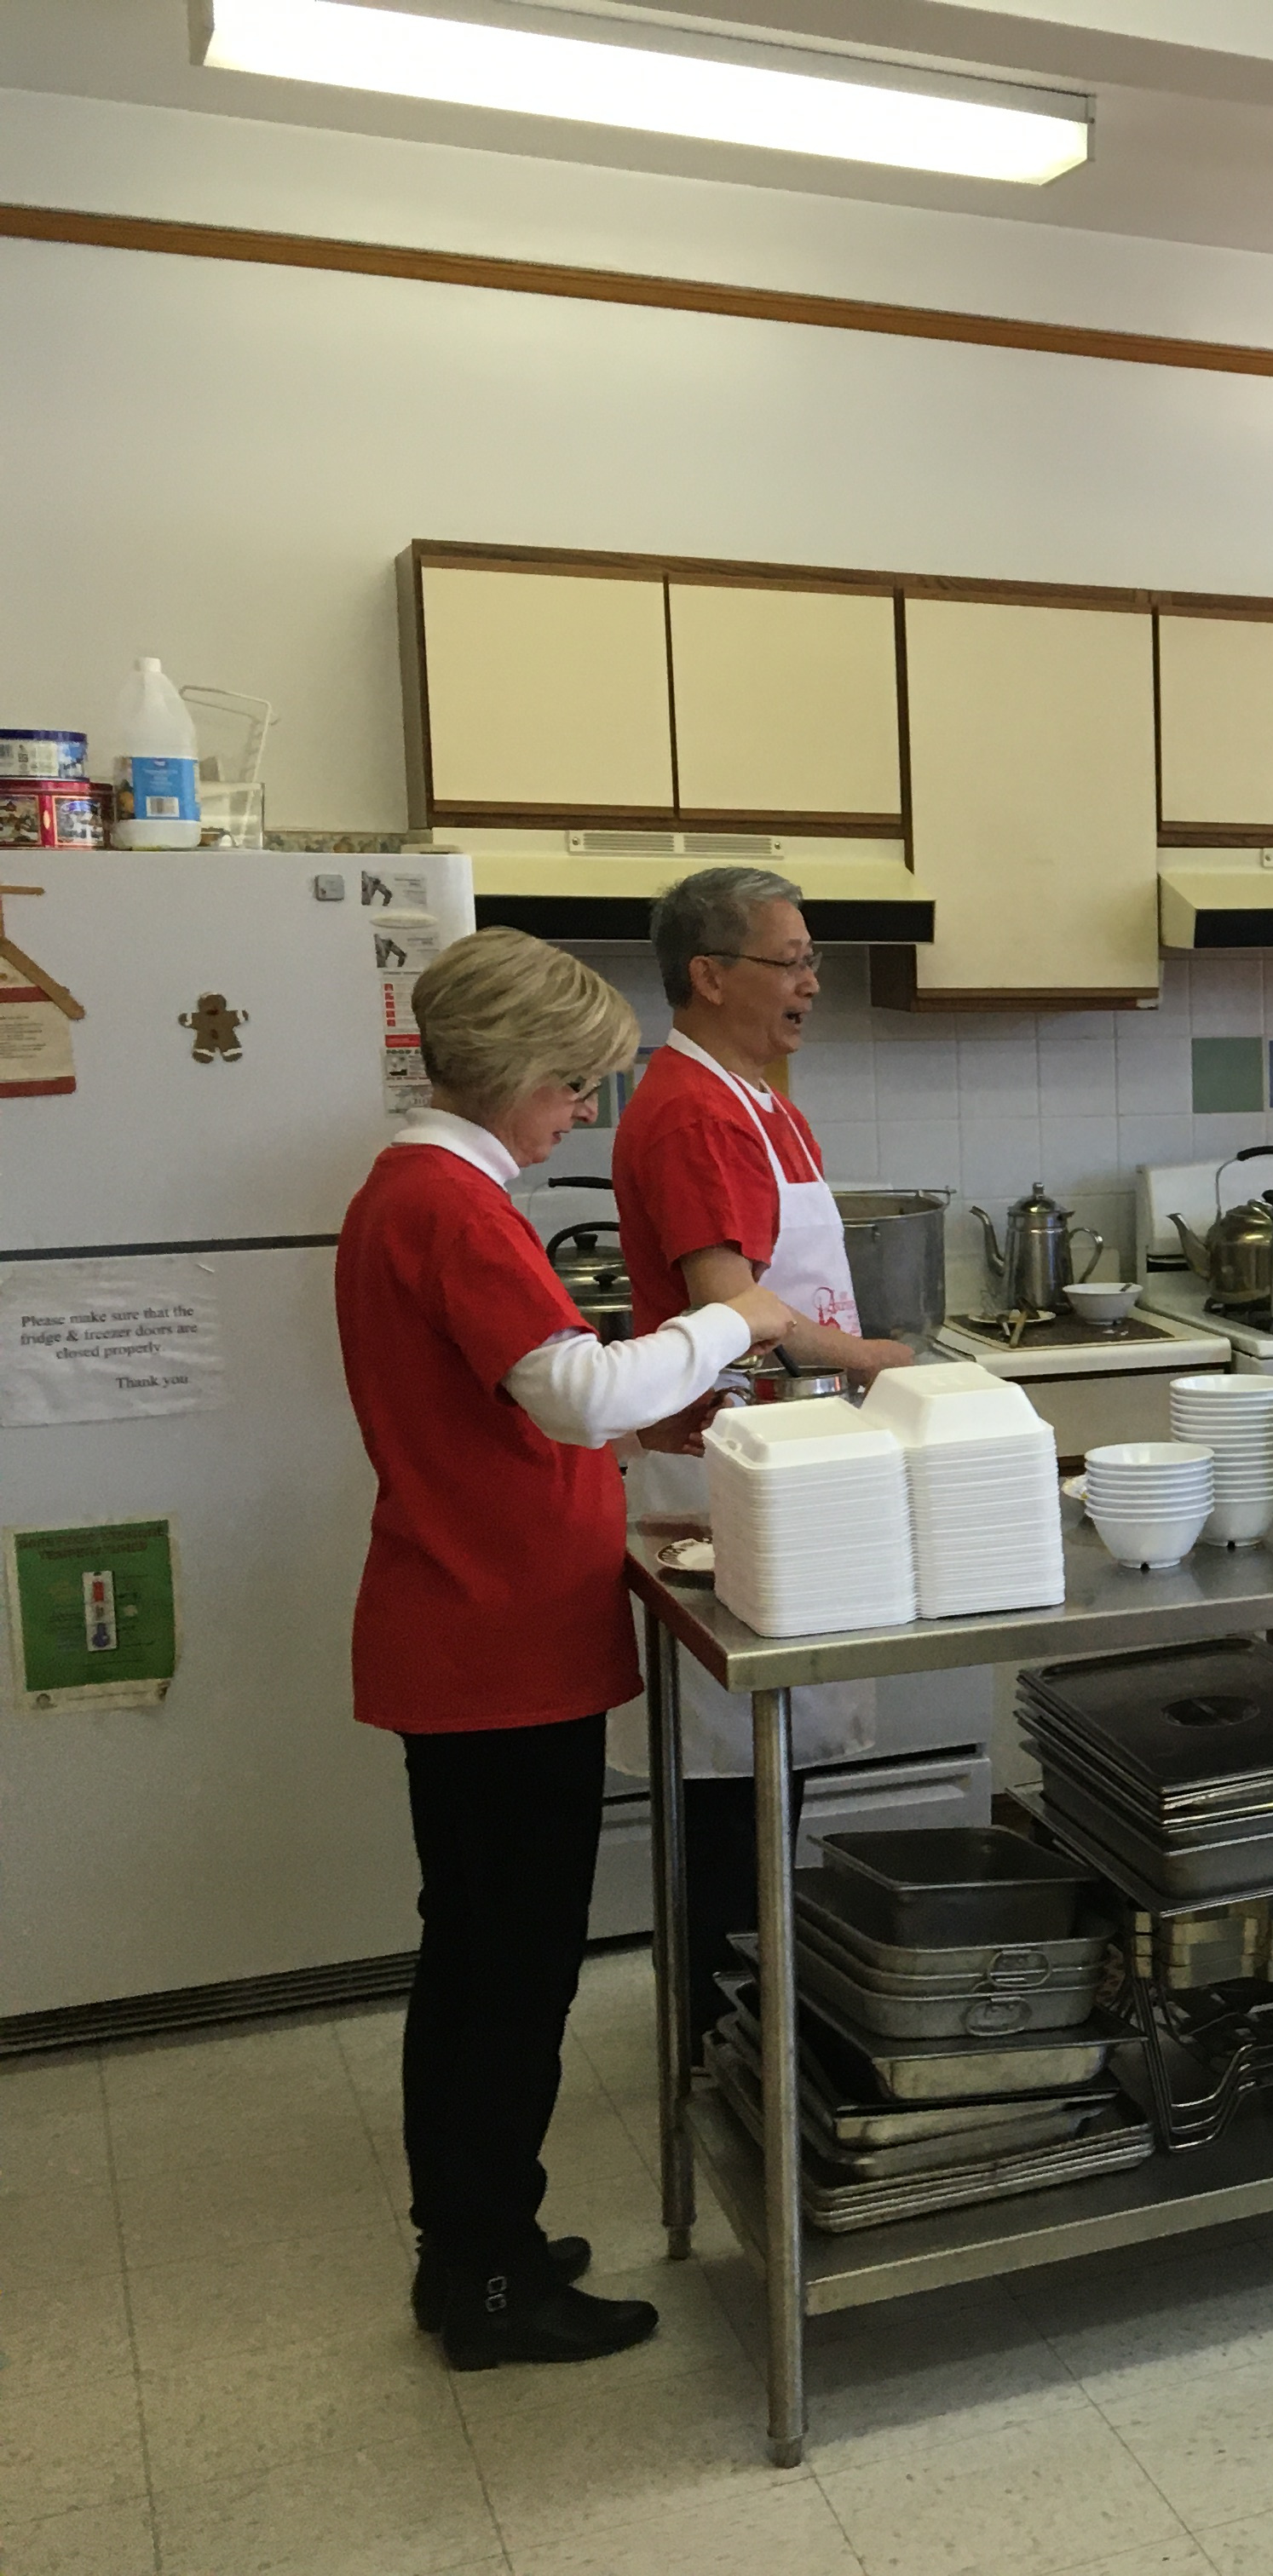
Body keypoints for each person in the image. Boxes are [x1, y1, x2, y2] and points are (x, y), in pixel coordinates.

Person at [333, 928, 793, 2366]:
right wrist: (734, 1316)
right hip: (492, 1643)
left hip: (470, 1621)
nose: (580, 1115)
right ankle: (486, 2278)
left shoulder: (416, 1189)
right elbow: (581, 1395)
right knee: (510, 1969)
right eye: (576, 1088)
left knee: (475, 1952)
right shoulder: (450, 1202)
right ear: (520, 1072)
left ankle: (475, 2240)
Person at [608, 865, 916, 2039]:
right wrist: (873, 1356)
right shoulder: (690, 1109)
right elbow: (731, 1299)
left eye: (809, 961)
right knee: (729, 1779)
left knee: (772, 1766)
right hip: (722, 1466)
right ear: (710, 974)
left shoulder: (759, 1096)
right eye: (789, 961)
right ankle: (717, 2030)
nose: (811, 983)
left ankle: (755, 2018)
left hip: (785, 1456)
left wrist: (850, 1364)